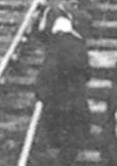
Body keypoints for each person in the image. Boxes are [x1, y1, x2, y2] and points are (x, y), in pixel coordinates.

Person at [36, 15, 93, 166]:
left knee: (57, 135)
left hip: (58, 102)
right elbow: (88, 74)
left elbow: (46, 73)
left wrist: (41, 94)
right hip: (77, 102)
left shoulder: (54, 46)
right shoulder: (79, 44)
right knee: (75, 136)